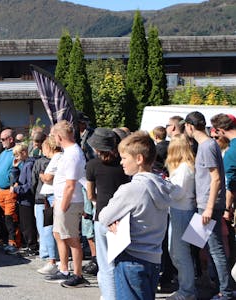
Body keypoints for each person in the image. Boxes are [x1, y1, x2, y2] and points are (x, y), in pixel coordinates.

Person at [98, 131, 183, 300]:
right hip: (154, 258)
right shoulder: (163, 185)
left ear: (139, 159)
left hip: (131, 257)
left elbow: (104, 216)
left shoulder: (131, 189)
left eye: (124, 158)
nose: (121, 162)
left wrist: (113, 221)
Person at [184, 111, 231, 300]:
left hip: (208, 205)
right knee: (196, 242)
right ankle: (209, 281)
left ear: (190, 126)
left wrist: (210, 207)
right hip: (204, 203)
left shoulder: (207, 146)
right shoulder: (206, 145)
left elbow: (216, 178)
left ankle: (226, 291)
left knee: (215, 247)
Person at [85, 128, 130, 300]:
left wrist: (99, 201)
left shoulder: (92, 165)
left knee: (105, 263)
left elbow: (90, 195)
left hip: (102, 215)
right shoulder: (123, 164)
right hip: (121, 216)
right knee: (121, 260)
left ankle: (109, 296)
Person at [44, 120, 89, 288]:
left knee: (71, 238)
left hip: (69, 202)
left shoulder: (73, 154)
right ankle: (63, 269)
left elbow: (71, 184)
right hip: (62, 199)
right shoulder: (67, 152)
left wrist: (63, 206)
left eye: (54, 136)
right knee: (59, 234)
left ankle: (78, 274)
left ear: (59, 136)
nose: (53, 139)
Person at [165, 134, 197, 300]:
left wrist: (164, 184)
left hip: (181, 211)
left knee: (180, 253)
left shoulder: (184, 168)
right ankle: (186, 288)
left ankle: (187, 290)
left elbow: (178, 193)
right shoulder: (185, 167)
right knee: (178, 252)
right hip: (181, 210)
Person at [34, 135, 60, 275]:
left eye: (44, 148)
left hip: (52, 197)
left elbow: (48, 178)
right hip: (49, 196)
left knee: (49, 229)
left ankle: (52, 261)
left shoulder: (56, 158)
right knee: (50, 229)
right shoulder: (57, 158)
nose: (42, 151)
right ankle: (55, 260)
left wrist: (42, 175)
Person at [10, 143, 38, 256]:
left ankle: (32, 246)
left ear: (24, 153)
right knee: (24, 224)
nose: (16, 158)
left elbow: (30, 185)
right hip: (22, 199)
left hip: (27, 199)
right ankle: (29, 245)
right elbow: (16, 179)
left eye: (17, 155)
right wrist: (15, 167)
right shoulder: (24, 164)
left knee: (28, 224)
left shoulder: (29, 165)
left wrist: (17, 189)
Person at [0, 128, 19, 253]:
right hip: (1, 190)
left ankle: (13, 242)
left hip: (10, 190)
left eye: (3, 139)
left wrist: (13, 186)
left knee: (11, 217)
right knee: (4, 217)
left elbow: (18, 170)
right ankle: (6, 239)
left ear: (11, 139)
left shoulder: (16, 152)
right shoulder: (3, 153)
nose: (2, 142)